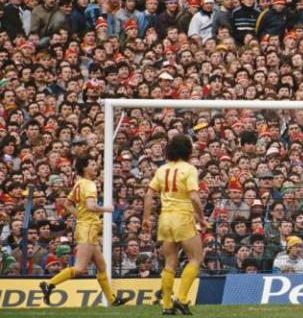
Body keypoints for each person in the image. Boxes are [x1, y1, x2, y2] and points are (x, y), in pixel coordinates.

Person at [39, 155, 131, 307]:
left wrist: (81, 217)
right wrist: (106, 209)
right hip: (88, 229)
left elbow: (68, 204)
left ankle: (112, 300)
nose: (96, 167)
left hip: (86, 227)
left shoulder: (79, 184)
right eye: (93, 164)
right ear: (85, 168)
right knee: (80, 268)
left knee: (101, 266)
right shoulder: (89, 184)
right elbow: (90, 206)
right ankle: (49, 284)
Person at [143, 134, 205, 316]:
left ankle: (167, 305)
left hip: (165, 219)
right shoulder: (189, 169)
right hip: (182, 217)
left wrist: (146, 219)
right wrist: (201, 218)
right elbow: (193, 196)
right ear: (188, 150)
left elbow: (148, 195)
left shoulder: (162, 170)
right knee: (196, 257)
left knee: (170, 263)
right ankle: (182, 299)